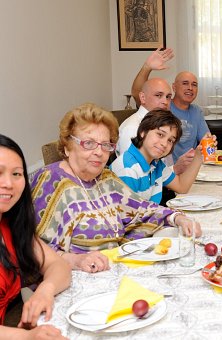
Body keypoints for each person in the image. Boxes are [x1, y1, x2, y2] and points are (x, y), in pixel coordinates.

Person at [31, 103, 201, 273]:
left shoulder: (106, 179)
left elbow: (142, 209)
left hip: (113, 269)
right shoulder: (50, 181)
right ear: (67, 146)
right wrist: (76, 260)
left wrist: (177, 218)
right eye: (89, 143)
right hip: (76, 277)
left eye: (106, 145)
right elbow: (33, 247)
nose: (99, 152)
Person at [0, 134, 70, 338]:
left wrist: (45, 290)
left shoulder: (11, 226)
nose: (8, 183)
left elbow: (58, 265)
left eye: (16, 174)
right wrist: (28, 337)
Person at [130, 48, 212, 163]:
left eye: (194, 85)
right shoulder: (164, 107)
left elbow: (206, 140)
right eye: (185, 83)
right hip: (166, 169)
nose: (190, 88)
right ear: (174, 87)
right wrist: (147, 67)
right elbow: (137, 93)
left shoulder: (196, 111)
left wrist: (210, 142)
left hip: (189, 167)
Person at [111, 110, 202, 204]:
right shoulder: (128, 170)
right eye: (160, 134)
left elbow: (182, 186)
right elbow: (128, 216)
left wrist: (199, 156)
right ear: (143, 132)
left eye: (170, 140)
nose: (164, 144)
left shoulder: (155, 164)